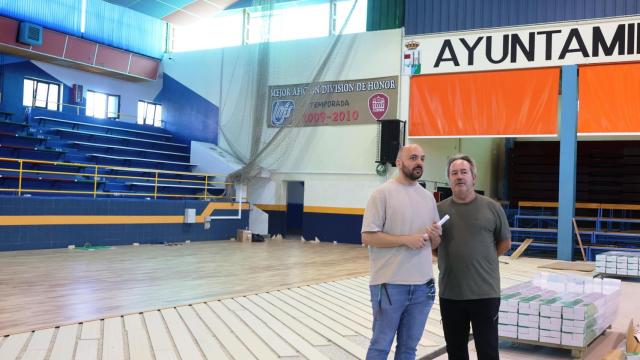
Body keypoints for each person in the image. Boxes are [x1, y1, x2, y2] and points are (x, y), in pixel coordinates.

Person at [361, 144, 441, 360]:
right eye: (413, 157)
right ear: (398, 162)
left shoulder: (428, 198)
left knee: (408, 350)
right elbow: (367, 237)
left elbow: (435, 245)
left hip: (423, 288)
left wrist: (435, 237)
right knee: (380, 346)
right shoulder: (381, 194)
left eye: (422, 158)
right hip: (389, 285)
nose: (419, 162)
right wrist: (405, 240)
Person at [436, 154, 512, 360]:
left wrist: (483, 259)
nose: (459, 176)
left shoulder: (492, 207)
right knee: (456, 351)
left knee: (487, 351)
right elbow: (434, 247)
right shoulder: (438, 210)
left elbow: (504, 242)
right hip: (451, 294)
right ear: (449, 179)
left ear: (473, 177)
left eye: (464, 172)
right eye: (454, 173)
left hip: (485, 294)